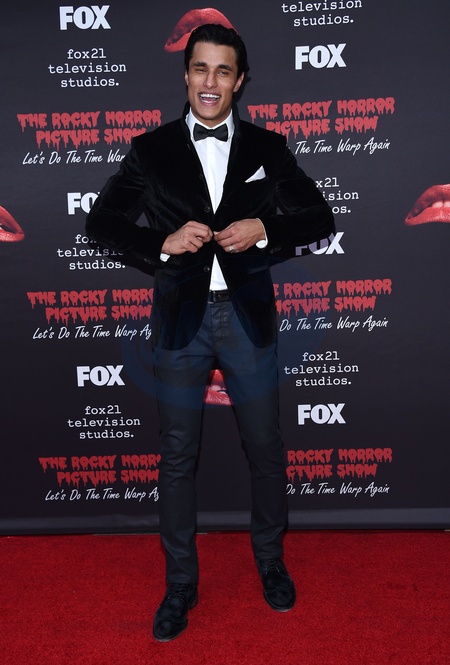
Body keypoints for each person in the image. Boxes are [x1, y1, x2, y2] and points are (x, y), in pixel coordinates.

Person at [86, 23, 335, 642]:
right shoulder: (151, 150)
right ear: (186, 73)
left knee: (266, 447)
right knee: (177, 456)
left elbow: (319, 215)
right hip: (181, 321)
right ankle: (180, 585)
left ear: (239, 81)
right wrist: (162, 243)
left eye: (223, 71)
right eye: (200, 68)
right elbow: (101, 221)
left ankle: (271, 562)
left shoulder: (269, 148)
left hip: (247, 320)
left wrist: (265, 229)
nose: (210, 81)